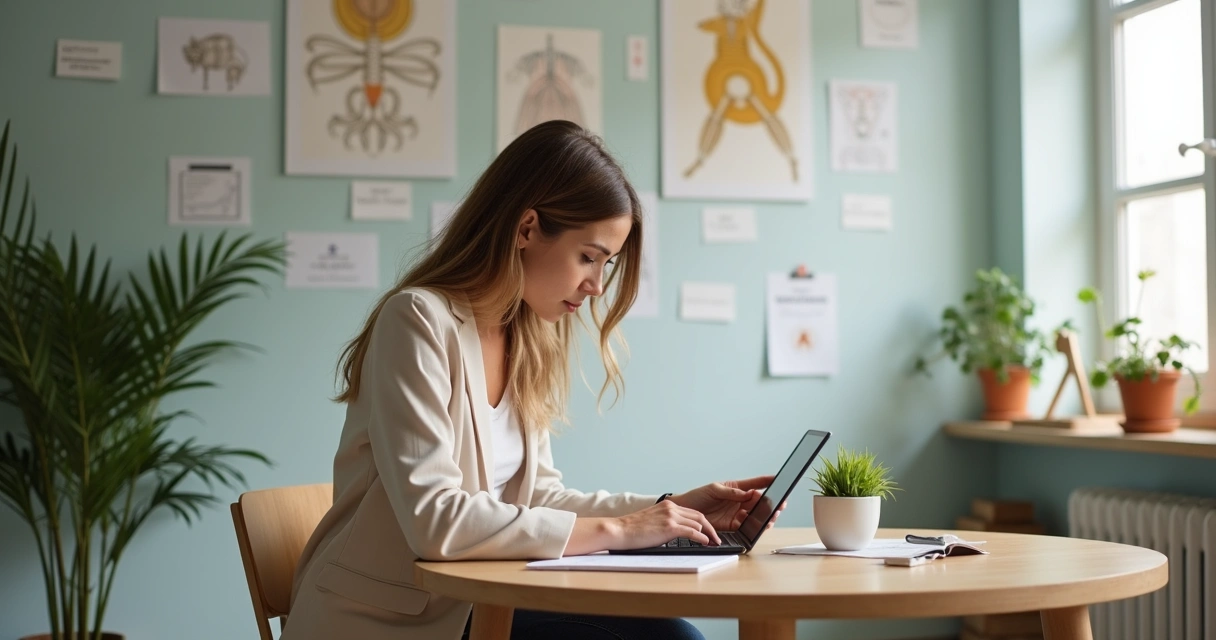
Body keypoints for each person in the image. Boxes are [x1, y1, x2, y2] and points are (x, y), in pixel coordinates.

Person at [284, 120, 777, 640]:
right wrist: (623, 531)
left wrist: (669, 509)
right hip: (389, 620)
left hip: (478, 603)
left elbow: (539, 497)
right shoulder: (418, 321)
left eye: (606, 263)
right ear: (526, 230)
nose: (595, 285)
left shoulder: (526, 335)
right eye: (588, 257)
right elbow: (435, 520)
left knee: (668, 634)